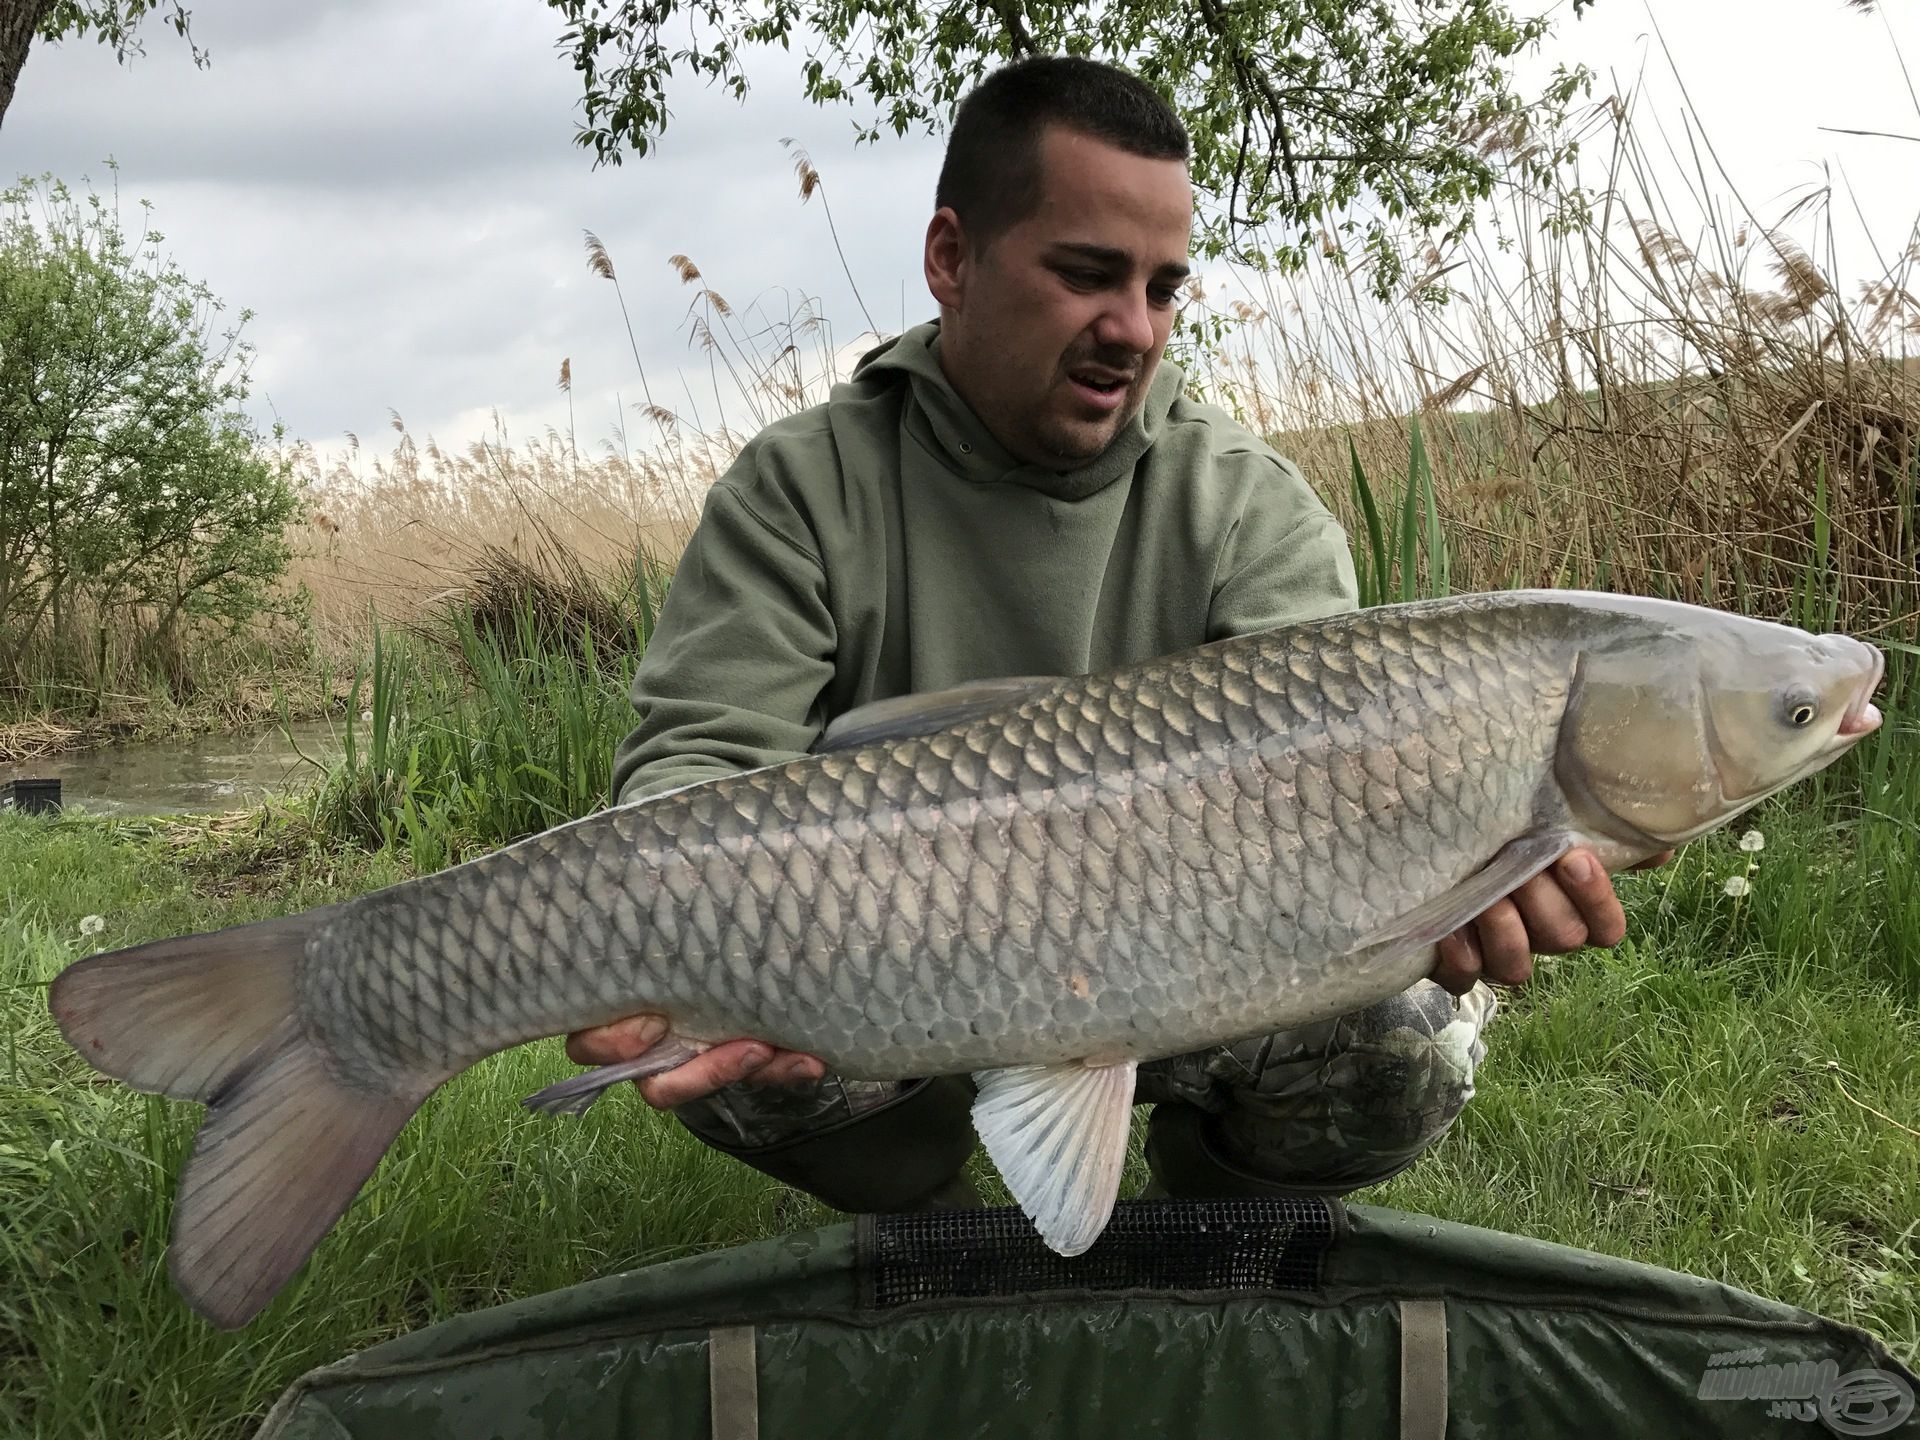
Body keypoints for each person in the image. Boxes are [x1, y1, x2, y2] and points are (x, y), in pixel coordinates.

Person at [568, 54, 1659, 1215]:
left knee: (1405, 1037)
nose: (1133, 330)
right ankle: (924, 1223)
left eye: (1162, 286)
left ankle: (1208, 1234)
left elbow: (1351, 786)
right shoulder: (800, 487)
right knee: (706, 1021)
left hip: (1213, 960)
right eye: (1087, 275)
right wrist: (631, 939)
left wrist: (1467, 871)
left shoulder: (1245, 504)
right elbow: (695, 768)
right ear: (951, 259)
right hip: (886, 973)